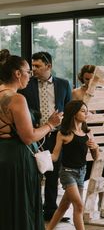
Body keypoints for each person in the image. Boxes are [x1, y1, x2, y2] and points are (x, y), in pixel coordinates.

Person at [0, 50, 62, 230]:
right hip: (16, 160)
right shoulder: (16, 99)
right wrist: (50, 124)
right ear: (17, 74)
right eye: (27, 72)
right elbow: (28, 136)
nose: (29, 76)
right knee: (20, 211)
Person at [45, 100, 104, 230]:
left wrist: (96, 148)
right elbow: (55, 156)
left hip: (81, 172)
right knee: (79, 206)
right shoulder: (64, 133)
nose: (87, 114)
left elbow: (96, 157)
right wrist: (39, 158)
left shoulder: (87, 132)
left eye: (87, 110)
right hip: (67, 174)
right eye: (83, 111)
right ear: (74, 113)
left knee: (64, 205)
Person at [19, 51, 72, 221]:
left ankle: (50, 211)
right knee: (35, 173)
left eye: (37, 66)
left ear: (48, 66)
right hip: (34, 134)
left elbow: (69, 109)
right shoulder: (26, 85)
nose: (33, 69)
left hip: (56, 136)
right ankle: (34, 211)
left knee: (53, 173)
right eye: (32, 66)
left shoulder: (64, 84)